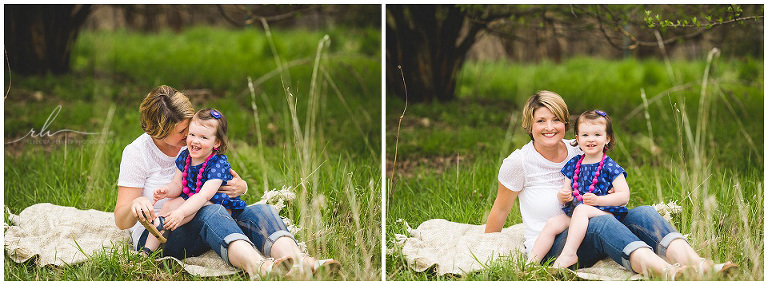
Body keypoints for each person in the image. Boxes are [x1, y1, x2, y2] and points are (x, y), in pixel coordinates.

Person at [485, 91, 736, 280]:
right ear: (529, 125)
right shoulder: (519, 162)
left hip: (594, 218)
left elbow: (613, 187)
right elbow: (499, 211)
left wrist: (608, 199)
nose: (549, 127)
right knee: (601, 223)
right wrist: (485, 248)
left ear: (566, 124)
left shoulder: (580, 149)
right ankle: (668, 272)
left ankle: (700, 265)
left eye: (556, 120)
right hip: (556, 246)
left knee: (643, 212)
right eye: (541, 121)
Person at [114, 85, 340, 280]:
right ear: (159, 131)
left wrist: (241, 187)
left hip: (205, 210)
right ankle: (260, 267)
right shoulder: (137, 153)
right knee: (210, 212)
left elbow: (215, 181)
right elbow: (121, 220)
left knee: (260, 211)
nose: (189, 137)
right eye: (183, 132)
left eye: (190, 128)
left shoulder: (196, 139)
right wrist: (137, 206)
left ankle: (301, 263)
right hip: (162, 232)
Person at [527, 109, 629, 268]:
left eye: (597, 135)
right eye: (585, 135)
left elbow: (624, 196)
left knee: (582, 211)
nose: (591, 139)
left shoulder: (610, 166)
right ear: (577, 138)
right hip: (577, 211)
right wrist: (563, 196)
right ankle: (531, 263)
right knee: (553, 223)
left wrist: (598, 200)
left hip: (603, 212)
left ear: (607, 138)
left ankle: (570, 253)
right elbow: (565, 190)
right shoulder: (575, 163)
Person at [141, 108, 249, 255]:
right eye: (192, 134)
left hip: (217, 203)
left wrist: (180, 212)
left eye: (204, 138)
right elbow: (177, 184)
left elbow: (204, 195)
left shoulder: (218, 164)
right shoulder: (185, 156)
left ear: (216, 142)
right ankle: (146, 250)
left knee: (193, 207)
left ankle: (166, 223)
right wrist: (167, 190)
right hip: (193, 196)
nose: (195, 140)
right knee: (168, 204)